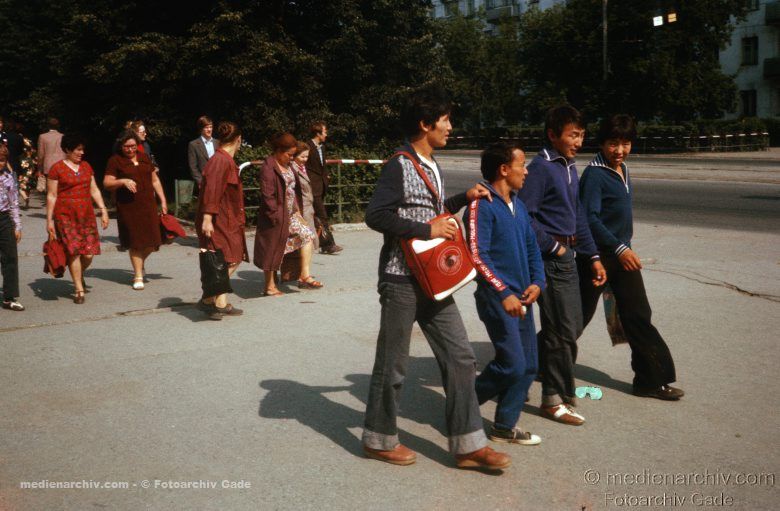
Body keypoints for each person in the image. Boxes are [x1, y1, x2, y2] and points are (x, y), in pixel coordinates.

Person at [361, 85, 510, 472]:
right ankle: (378, 439)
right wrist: (426, 233)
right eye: (445, 120)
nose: (450, 126)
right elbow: (376, 215)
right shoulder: (400, 163)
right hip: (401, 279)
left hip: (434, 282)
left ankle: (468, 445)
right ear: (426, 124)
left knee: (461, 357)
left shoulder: (430, 164)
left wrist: (463, 199)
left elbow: (431, 209)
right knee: (393, 363)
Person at [579, 114, 684, 401]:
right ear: (601, 143)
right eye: (613, 143)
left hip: (621, 255)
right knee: (576, 318)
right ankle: (536, 365)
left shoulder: (622, 168)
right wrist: (619, 249)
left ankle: (650, 381)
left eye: (625, 143)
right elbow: (590, 219)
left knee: (638, 316)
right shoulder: (594, 174)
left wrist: (624, 247)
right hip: (597, 256)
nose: (620, 150)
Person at [516, 104, 607, 426]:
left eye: (582, 135)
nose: (578, 142)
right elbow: (524, 215)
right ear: (553, 134)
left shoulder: (568, 166)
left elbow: (579, 216)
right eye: (573, 135)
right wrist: (553, 247)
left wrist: (592, 256)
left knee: (568, 329)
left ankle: (555, 393)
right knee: (559, 331)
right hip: (549, 258)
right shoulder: (542, 167)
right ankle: (552, 400)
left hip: (568, 257)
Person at [464, 142, 545, 446]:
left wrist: (538, 281)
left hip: (524, 298)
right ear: (503, 169)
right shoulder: (481, 206)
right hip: (498, 299)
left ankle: (504, 426)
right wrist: (502, 292)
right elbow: (477, 255)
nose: (526, 171)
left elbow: (531, 248)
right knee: (511, 363)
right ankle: (463, 407)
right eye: (522, 165)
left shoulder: (519, 205)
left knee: (529, 365)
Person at [253, 133, 321, 296]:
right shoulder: (268, 167)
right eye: (289, 154)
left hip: (290, 214)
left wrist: (297, 213)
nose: (291, 158)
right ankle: (269, 286)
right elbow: (268, 196)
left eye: (293, 155)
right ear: (278, 150)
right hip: (275, 215)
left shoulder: (289, 166)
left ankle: (304, 275)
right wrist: (276, 217)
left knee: (307, 235)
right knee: (272, 247)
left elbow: (292, 191)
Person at [46, 134, 109, 304]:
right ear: (67, 149)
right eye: (78, 149)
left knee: (88, 254)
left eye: (82, 149)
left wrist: (103, 210)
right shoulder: (56, 169)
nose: (81, 153)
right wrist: (49, 220)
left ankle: (79, 274)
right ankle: (79, 289)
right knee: (73, 252)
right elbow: (52, 195)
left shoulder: (87, 166)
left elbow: (94, 189)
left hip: (86, 215)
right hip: (65, 216)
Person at [103, 129, 168, 290]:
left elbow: (155, 180)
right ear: (121, 146)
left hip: (148, 205)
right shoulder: (115, 161)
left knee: (154, 242)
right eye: (126, 147)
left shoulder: (145, 157)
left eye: (133, 146)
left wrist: (163, 200)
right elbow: (107, 183)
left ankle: (140, 263)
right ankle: (138, 275)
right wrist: (122, 181)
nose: (130, 149)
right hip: (128, 207)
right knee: (135, 242)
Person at [196, 121, 248, 320]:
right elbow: (212, 190)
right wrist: (208, 218)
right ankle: (211, 300)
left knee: (229, 256)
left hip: (228, 217)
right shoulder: (220, 161)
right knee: (229, 257)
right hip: (219, 218)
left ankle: (218, 301)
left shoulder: (224, 159)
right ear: (238, 140)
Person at [305, 121, 342, 254]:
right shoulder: (307, 146)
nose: (326, 134)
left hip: (321, 186)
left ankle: (322, 243)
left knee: (318, 216)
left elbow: (322, 167)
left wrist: (325, 177)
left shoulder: (322, 148)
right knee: (322, 215)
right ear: (318, 133)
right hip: (311, 187)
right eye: (325, 132)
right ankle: (329, 244)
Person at [0, 144, 24, 311]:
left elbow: (14, 203)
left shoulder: (8, 177)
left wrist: (17, 226)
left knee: (10, 257)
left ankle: (10, 297)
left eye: (1, 160)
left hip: (4, 219)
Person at [291, 142, 318, 251]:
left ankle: (304, 266)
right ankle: (304, 267)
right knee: (306, 240)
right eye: (302, 156)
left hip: (308, 206)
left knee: (307, 240)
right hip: (301, 208)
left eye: (307, 156)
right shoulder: (293, 169)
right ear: (294, 155)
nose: (305, 159)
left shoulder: (303, 167)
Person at [188, 115, 217, 186]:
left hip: (218, 181)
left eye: (211, 127)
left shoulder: (218, 143)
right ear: (201, 129)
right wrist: (200, 182)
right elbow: (193, 167)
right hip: (204, 182)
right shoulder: (193, 144)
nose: (209, 130)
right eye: (206, 127)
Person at [37, 117, 66, 183]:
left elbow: (41, 155)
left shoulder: (42, 137)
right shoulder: (63, 136)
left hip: (48, 166)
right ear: (58, 126)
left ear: (48, 126)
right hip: (62, 165)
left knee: (50, 190)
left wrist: (39, 169)